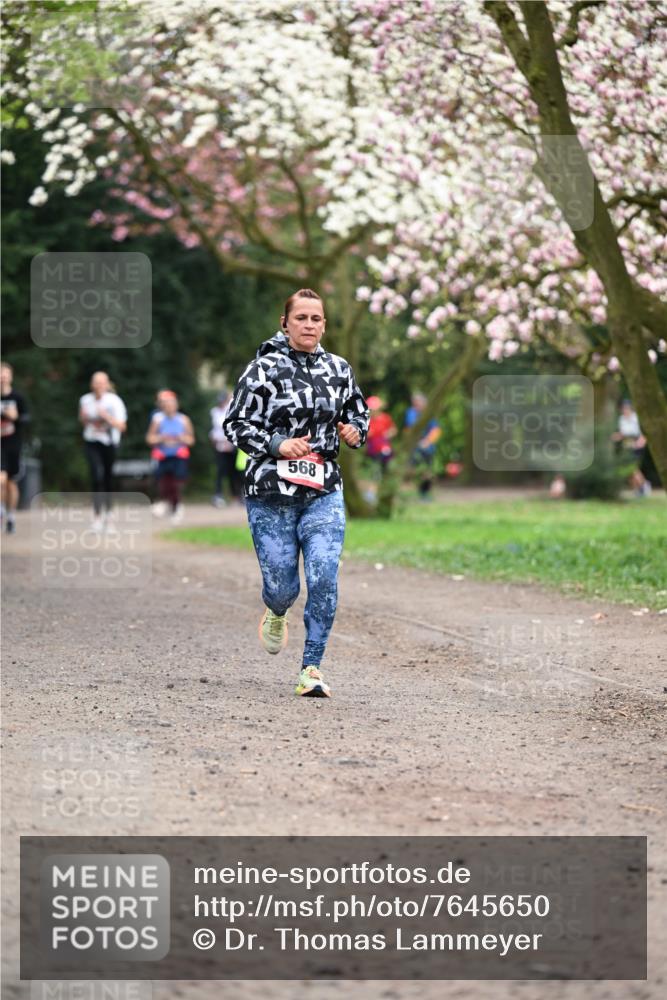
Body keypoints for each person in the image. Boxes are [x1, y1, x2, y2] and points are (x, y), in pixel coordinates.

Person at [223, 288, 369, 698]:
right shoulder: (262, 369)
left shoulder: (339, 369)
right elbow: (235, 423)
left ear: (324, 324)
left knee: (324, 576)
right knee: (284, 587)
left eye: (316, 318)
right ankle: (276, 609)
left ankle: (312, 668)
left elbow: (358, 411)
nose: (309, 325)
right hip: (270, 492)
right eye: (301, 318)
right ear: (285, 323)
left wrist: (355, 431)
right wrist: (277, 445)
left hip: (323, 490)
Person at [78, 371, 127, 531]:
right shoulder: (85, 400)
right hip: (92, 441)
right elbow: (83, 421)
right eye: (96, 382)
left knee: (107, 479)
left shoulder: (114, 401)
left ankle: (109, 515)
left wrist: (106, 417)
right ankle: (97, 516)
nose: (98, 386)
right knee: (96, 477)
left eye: (101, 382)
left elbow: (122, 426)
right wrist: (84, 419)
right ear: (92, 385)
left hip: (109, 442)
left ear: (107, 384)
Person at [146, 390, 195, 524]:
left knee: (176, 483)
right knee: (163, 482)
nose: (168, 407)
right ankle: (166, 503)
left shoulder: (184, 420)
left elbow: (191, 440)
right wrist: (161, 438)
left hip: (179, 455)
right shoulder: (158, 420)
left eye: (171, 404)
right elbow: (149, 438)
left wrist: (181, 438)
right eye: (166, 404)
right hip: (163, 455)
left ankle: (176, 507)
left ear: (176, 405)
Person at [1, 362, 30, 534]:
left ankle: (11, 515)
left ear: (10, 376)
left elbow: (26, 419)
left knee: (11, 483)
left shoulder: (18, 397)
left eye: (5, 374)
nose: (2, 377)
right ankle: (1, 510)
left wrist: (15, 417)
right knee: (1, 480)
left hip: (14, 443)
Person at [404, 391, 441, 499]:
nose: (416, 404)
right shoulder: (410, 413)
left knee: (427, 471)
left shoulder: (429, 414)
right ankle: (409, 493)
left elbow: (436, 430)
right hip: (414, 447)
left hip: (427, 448)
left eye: (419, 402)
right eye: (415, 402)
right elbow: (408, 429)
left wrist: (427, 442)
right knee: (411, 469)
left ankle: (424, 493)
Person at [612, 400, 651, 497]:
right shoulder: (621, 419)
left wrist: (641, 442)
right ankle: (638, 489)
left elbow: (643, 433)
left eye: (627, 408)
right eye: (624, 409)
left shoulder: (636, 418)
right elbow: (623, 434)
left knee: (633, 468)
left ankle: (644, 485)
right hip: (627, 447)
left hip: (637, 446)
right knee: (629, 470)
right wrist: (616, 436)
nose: (625, 410)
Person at [209, 390, 239, 507]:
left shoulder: (232, 410)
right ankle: (218, 495)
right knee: (220, 472)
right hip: (219, 446)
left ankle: (235, 496)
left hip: (232, 445)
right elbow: (214, 430)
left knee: (233, 472)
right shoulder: (215, 412)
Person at [365, 395, 397, 469]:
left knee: (386, 452)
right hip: (372, 445)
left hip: (384, 442)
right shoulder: (367, 420)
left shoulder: (385, 418)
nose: (372, 411)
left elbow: (393, 430)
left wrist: (389, 433)